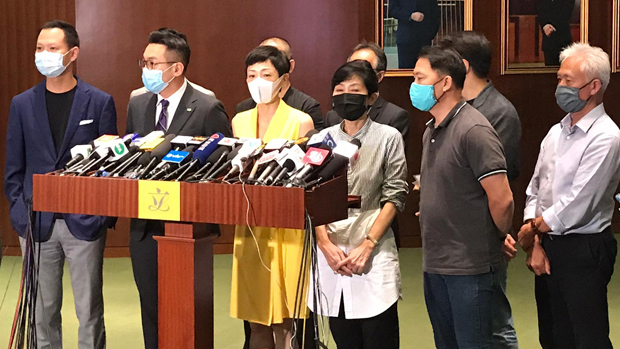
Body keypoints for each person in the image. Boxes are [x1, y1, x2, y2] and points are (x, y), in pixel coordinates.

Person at [4, 20, 117, 349]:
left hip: (84, 222)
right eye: (40, 48)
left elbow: (108, 167)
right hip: (36, 223)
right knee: (42, 312)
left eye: (52, 49)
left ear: (73, 53)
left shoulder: (98, 102)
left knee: (89, 311)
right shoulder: (22, 104)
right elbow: (14, 166)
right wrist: (18, 212)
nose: (43, 55)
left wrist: (101, 217)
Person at [125, 27, 231, 349]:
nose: (147, 70)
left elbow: (222, 164)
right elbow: (132, 157)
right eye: (143, 63)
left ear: (177, 68)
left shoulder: (207, 106)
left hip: (188, 228)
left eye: (153, 64)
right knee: (151, 309)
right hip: (144, 225)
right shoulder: (138, 103)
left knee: (185, 312)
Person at [518, 43, 620, 349]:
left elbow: (578, 204)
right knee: (552, 335)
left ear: (593, 87)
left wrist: (532, 228)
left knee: (587, 338)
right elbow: (536, 187)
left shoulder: (607, 137)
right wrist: (535, 242)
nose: (560, 87)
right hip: (546, 242)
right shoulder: (555, 131)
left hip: (583, 248)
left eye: (568, 81)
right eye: (559, 79)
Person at [412, 46, 514, 348]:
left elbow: (503, 198)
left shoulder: (474, 129)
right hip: (436, 262)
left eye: (420, 78)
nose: (414, 86)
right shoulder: (431, 129)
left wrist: (494, 236)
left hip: (469, 267)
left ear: (444, 83)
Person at [309, 60, 408, 348]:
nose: (345, 96)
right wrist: (324, 243)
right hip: (331, 250)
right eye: (339, 90)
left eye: (354, 90)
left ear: (372, 97)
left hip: (371, 242)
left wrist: (368, 244)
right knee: (344, 336)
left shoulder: (388, 137)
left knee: (379, 334)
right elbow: (311, 192)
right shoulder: (321, 139)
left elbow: (395, 194)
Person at [439, 31, 521, 349]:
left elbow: (499, 188)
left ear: (461, 65)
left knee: (494, 323)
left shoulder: (499, 113)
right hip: (453, 238)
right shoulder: (453, 107)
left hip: (482, 236)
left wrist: (498, 234)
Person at [230, 45, 314, 349]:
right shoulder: (239, 121)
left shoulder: (301, 121)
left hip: (287, 227)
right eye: (251, 75)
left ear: (284, 82)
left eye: (266, 75)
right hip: (251, 226)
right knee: (256, 321)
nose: (257, 81)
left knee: (287, 320)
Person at [324, 42, 410, 140]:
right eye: (352, 67)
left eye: (365, 68)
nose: (356, 74)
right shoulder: (332, 117)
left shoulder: (394, 116)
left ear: (379, 76)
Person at [235, 36, 323, 130]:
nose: (259, 81)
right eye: (252, 75)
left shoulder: (305, 110)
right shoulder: (241, 114)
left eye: (266, 75)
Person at [388, 0, 440, 68]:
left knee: (424, 69)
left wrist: (430, 34)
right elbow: (393, 10)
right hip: (406, 38)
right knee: (405, 71)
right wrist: (410, 16)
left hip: (424, 38)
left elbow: (435, 13)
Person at [538, 0, 574, 66]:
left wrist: (552, 26)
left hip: (563, 38)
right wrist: (545, 25)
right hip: (549, 41)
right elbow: (540, 9)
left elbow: (566, 12)